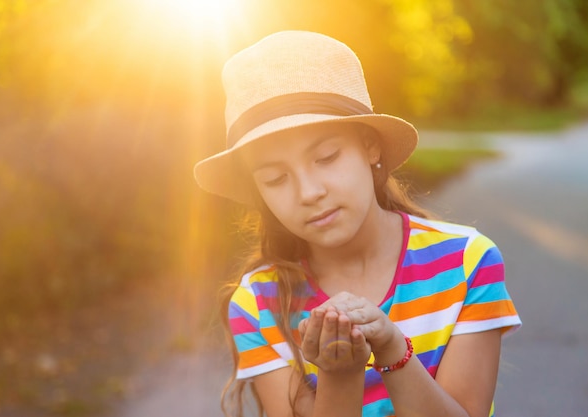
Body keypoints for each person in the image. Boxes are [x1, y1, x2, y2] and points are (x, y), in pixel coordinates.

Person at [193, 31, 521, 417]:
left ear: (371, 145)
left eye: (327, 156)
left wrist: (392, 348)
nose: (308, 192)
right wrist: (339, 372)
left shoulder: (466, 263)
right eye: (275, 179)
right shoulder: (258, 303)